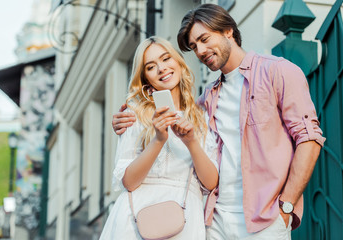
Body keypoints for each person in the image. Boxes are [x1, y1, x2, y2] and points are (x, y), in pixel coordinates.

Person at [112, 4, 325, 240]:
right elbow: (182, 120)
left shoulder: (278, 71)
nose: (201, 50)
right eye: (194, 46)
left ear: (227, 31)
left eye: (204, 39)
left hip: (265, 219)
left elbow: (309, 138)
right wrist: (128, 118)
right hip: (215, 221)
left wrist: (286, 206)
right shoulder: (207, 99)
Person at [100, 36, 219, 239]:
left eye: (166, 59)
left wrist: (191, 142)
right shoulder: (135, 114)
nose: (162, 68)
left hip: (184, 222)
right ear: (145, 78)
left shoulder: (202, 117)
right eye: (151, 67)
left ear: (179, 63)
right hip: (134, 221)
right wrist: (158, 140)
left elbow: (210, 183)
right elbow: (128, 182)